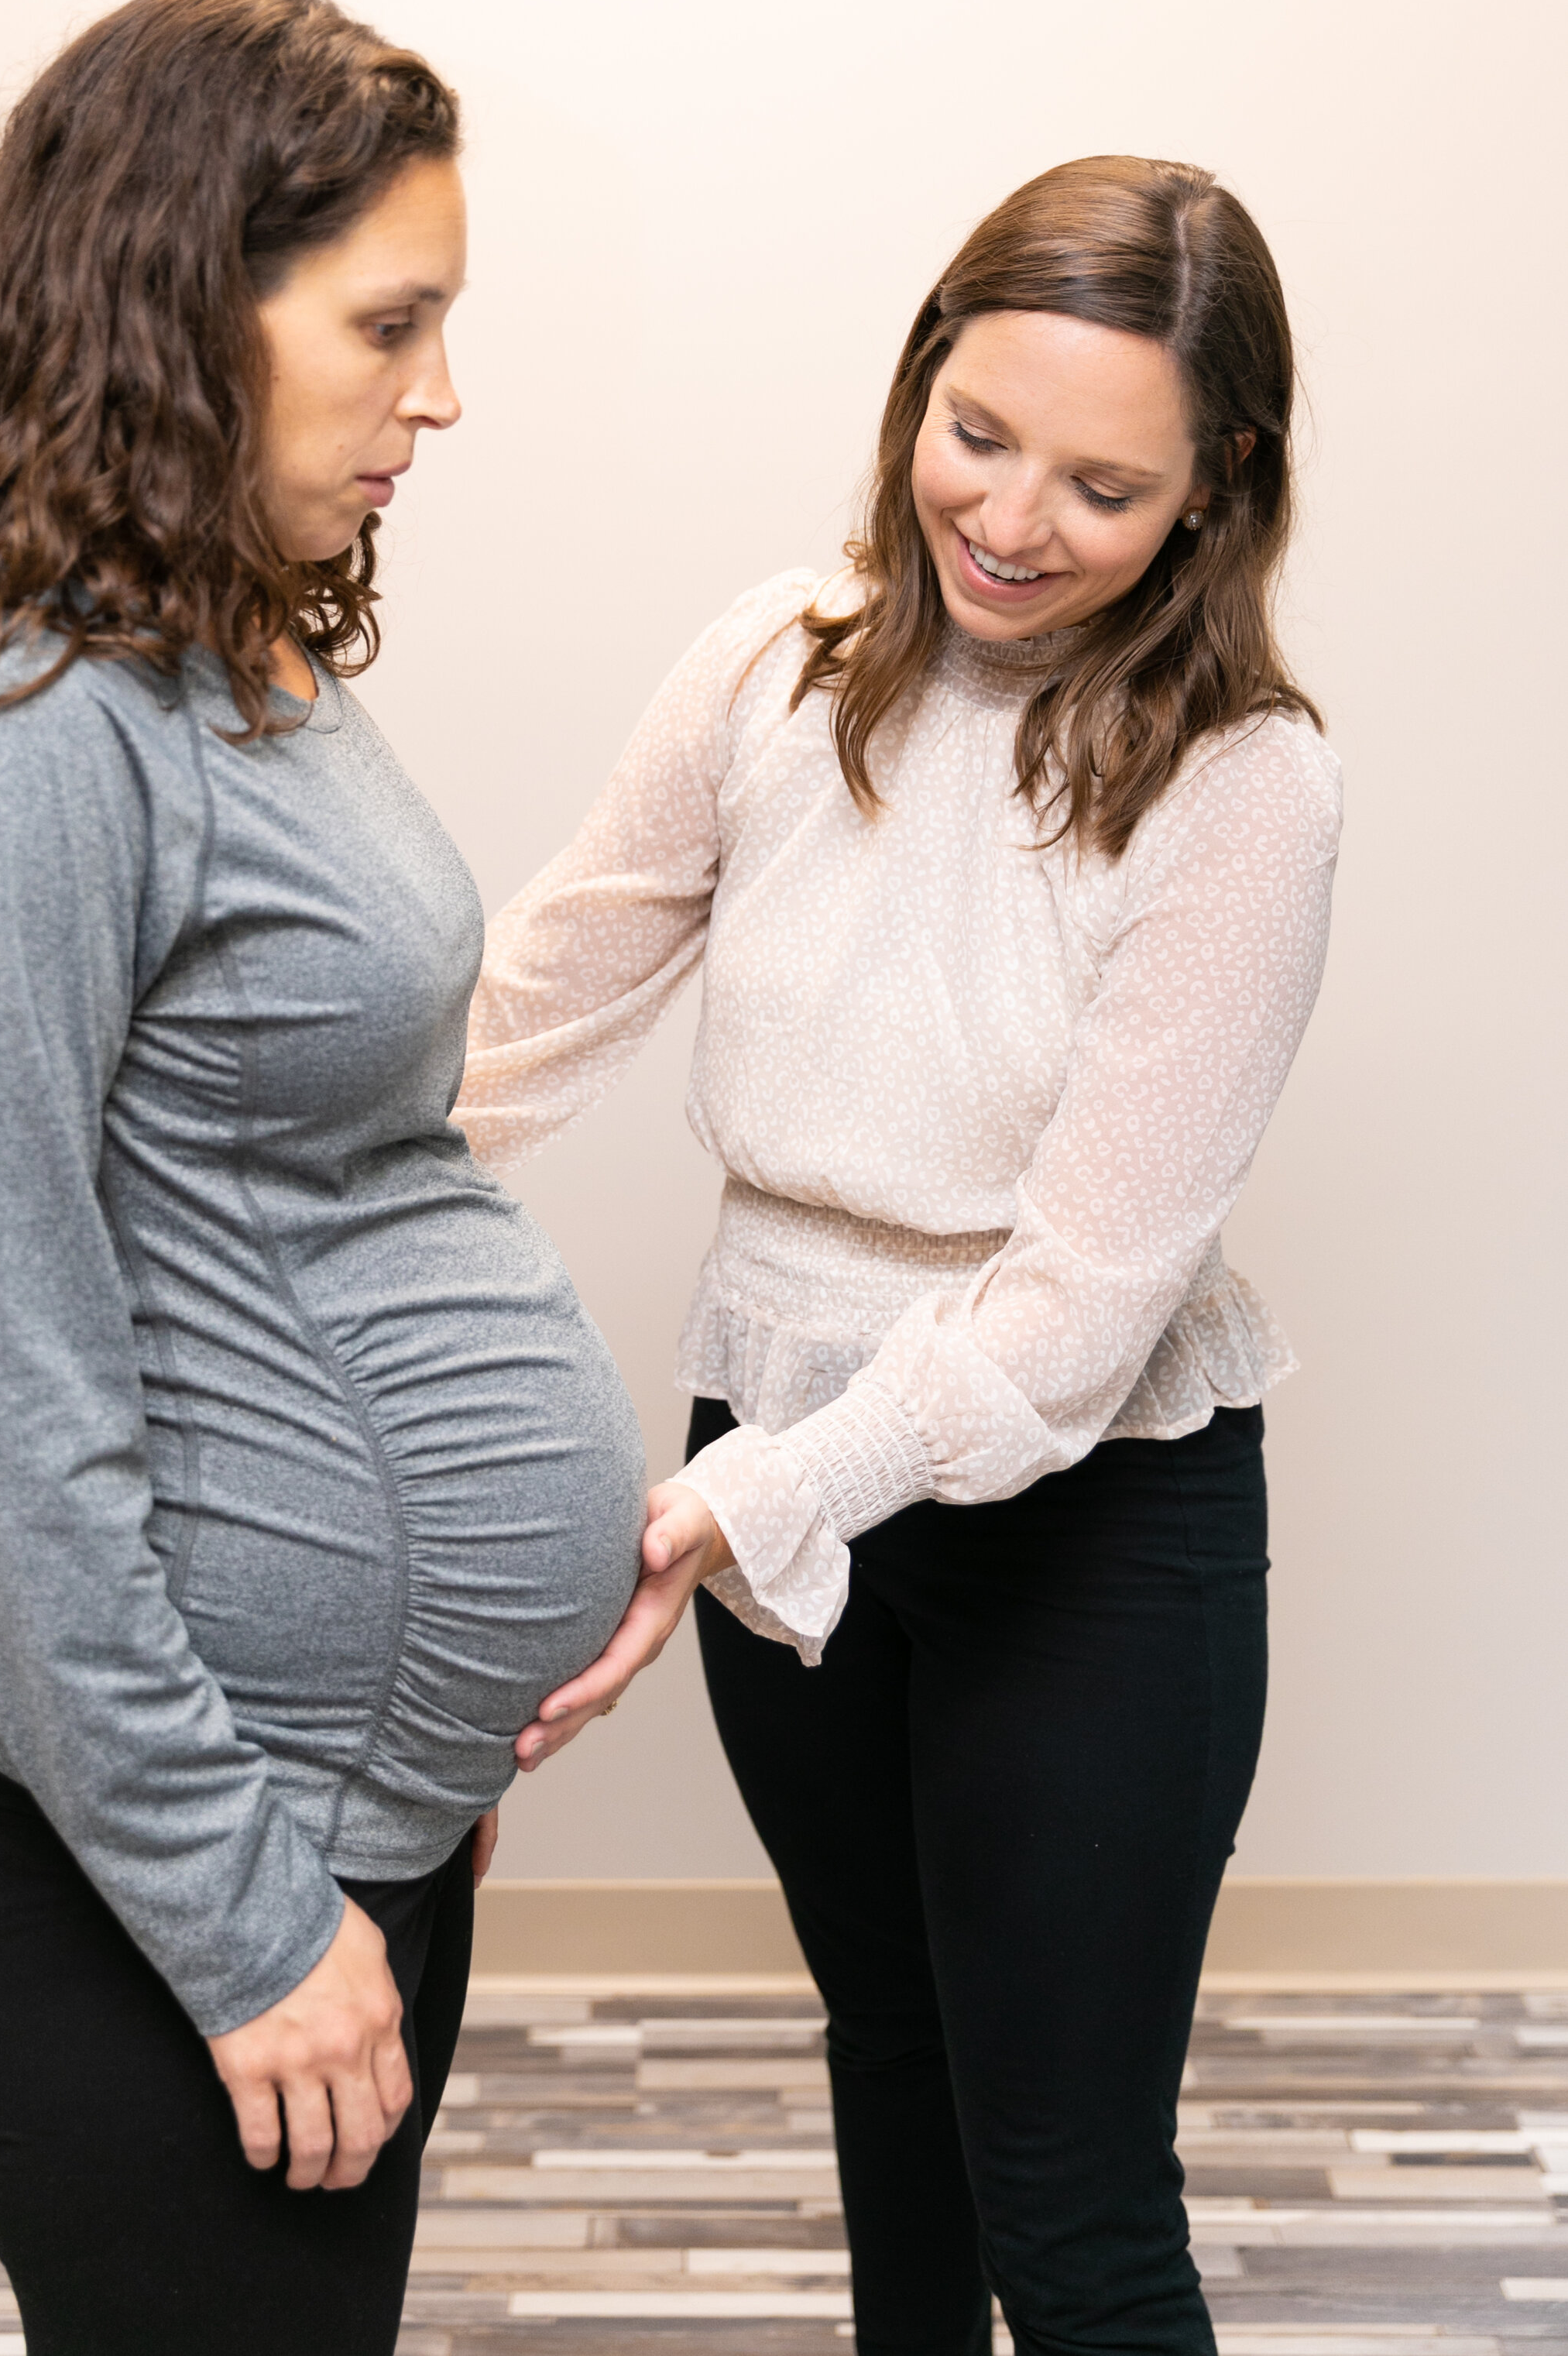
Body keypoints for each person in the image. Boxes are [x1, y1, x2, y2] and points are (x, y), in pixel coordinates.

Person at [0, 0, 645, 2356]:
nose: (438, 394)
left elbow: (308, 1170)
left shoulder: (213, 650)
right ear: (186, 299)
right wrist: (246, 1910)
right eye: (390, 324)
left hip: (331, 1809)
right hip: (155, 1879)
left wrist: (417, 1721)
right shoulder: (12, 731)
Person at [458, 156, 1340, 2356]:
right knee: (897, 2069)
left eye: (1103, 485)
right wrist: (219, 1163)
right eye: (978, 434)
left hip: (1081, 1518)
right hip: (772, 1462)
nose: (1014, 521)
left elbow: (1072, 1311)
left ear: (1217, 495)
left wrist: (742, 1505)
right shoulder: (779, 660)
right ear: (917, 378)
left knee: (1070, 2198)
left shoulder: (1242, 783)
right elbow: (529, 998)